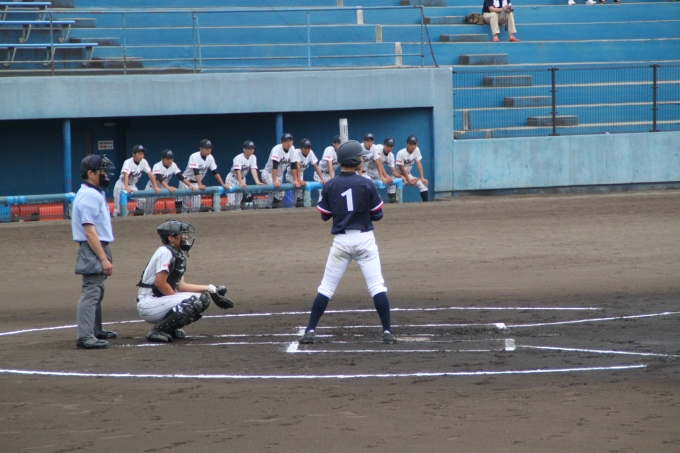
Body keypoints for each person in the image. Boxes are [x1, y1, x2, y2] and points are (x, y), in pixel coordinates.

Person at [299, 140, 396, 345]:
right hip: (365, 241)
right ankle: (387, 332)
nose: (362, 158)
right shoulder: (366, 183)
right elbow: (378, 215)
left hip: (341, 242)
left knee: (326, 288)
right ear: (353, 159)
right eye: (359, 156)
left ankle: (310, 330)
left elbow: (325, 216)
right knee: (377, 287)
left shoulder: (331, 184)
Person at [136, 220, 227, 342]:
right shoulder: (165, 252)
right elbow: (160, 283)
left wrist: (210, 288)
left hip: (160, 302)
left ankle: (170, 327)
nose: (186, 237)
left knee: (203, 299)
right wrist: (180, 304)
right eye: (182, 234)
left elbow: (182, 286)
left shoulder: (177, 254)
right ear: (171, 238)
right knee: (192, 303)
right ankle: (158, 330)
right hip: (149, 303)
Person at [72, 154, 117, 349]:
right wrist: (103, 258)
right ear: (91, 173)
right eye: (102, 171)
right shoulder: (89, 196)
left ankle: (95, 330)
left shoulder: (93, 193)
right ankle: (85, 336)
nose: (105, 174)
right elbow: (89, 231)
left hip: (97, 246)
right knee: (91, 291)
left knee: (97, 291)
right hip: (92, 248)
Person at [181, 139, 230, 213]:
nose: (208, 150)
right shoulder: (194, 156)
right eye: (206, 148)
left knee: (196, 207)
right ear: (201, 148)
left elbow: (215, 172)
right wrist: (200, 185)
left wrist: (222, 184)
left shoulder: (210, 158)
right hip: (186, 182)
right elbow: (196, 171)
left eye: (210, 148)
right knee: (184, 207)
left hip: (197, 183)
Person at [141, 149, 196, 215]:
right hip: (153, 189)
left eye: (171, 158)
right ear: (162, 159)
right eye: (167, 159)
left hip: (164, 189)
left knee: (178, 194)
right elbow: (160, 179)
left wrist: (190, 185)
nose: (170, 161)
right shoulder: (157, 166)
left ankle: (179, 214)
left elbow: (180, 177)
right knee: (148, 212)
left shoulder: (173, 165)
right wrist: (168, 187)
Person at [113, 144, 160, 217]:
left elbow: (151, 174)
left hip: (132, 185)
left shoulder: (143, 162)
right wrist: (126, 187)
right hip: (121, 185)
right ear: (133, 154)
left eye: (142, 153)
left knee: (143, 201)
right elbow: (126, 175)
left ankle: (136, 217)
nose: (141, 155)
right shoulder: (128, 162)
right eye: (139, 153)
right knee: (118, 210)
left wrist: (156, 186)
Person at [224, 140, 265, 210]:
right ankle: (228, 214)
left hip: (242, 179)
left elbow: (253, 169)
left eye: (252, 148)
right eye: (249, 148)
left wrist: (257, 182)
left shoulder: (253, 157)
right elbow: (238, 170)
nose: (251, 150)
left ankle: (236, 215)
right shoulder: (238, 158)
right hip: (232, 179)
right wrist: (240, 182)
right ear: (244, 149)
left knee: (238, 202)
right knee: (231, 202)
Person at [261, 132, 297, 209]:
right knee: (278, 192)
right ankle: (270, 208)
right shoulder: (277, 149)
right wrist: (274, 181)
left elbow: (293, 165)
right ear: (282, 142)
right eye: (286, 141)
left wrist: (295, 180)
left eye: (290, 141)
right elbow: (275, 166)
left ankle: (270, 209)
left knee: (275, 195)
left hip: (279, 175)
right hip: (269, 174)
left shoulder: (292, 149)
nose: (289, 143)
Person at [288, 138, 326, 207]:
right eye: (305, 148)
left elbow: (315, 166)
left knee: (300, 196)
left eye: (308, 148)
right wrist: (299, 180)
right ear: (300, 148)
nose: (307, 150)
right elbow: (297, 166)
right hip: (291, 174)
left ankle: (299, 209)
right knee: (296, 193)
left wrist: (322, 178)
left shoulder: (310, 153)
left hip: (300, 174)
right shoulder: (296, 152)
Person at [395, 135, 429, 202]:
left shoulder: (417, 150)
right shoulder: (401, 153)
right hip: (398, 176)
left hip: (408, 175)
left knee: (423, 184)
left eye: (414, 144)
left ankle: (426, 205)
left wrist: (422, 177)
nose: (413, 146)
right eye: (411, 144)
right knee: (395, 196)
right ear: (406, 144)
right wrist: (409, 181)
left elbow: (418, 163)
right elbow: (402, 168)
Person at [374, 137, 402, 203]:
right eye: (387, 146)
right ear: (383, 145)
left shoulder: (391, 155)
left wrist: (401, 176)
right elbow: (379, 163)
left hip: (378, 171)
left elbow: (393, 171)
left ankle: (392, 205)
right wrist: (384, 176)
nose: (389, 148)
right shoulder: (378, 148)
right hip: (368, 170)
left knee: (391, 184)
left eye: (391, 146)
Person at [314, 135, 341, 200]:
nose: (340, 145)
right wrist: (333, 180)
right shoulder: (329, 149)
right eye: (339, 143)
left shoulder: (342, 152)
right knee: (323, 194)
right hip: (321, 173)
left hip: (331, 173)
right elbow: (329, 164)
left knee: (332, 195)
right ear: (334, 144)